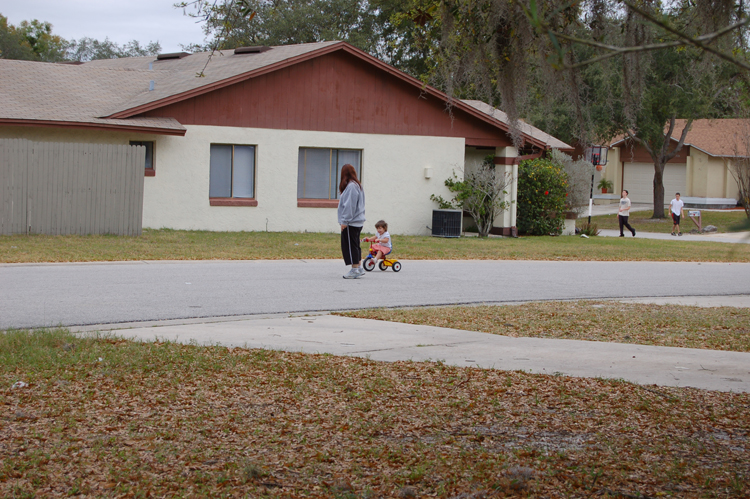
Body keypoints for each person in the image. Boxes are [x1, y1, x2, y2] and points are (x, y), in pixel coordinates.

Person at [338, 164, 366, 279]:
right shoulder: (357, 185)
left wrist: (345, 221)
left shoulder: (351, 187)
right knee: (355, 245)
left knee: (350, 246)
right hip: (357, 221)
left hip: (351, 222)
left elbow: (350, 205)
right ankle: (359, 267)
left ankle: (355, 269)